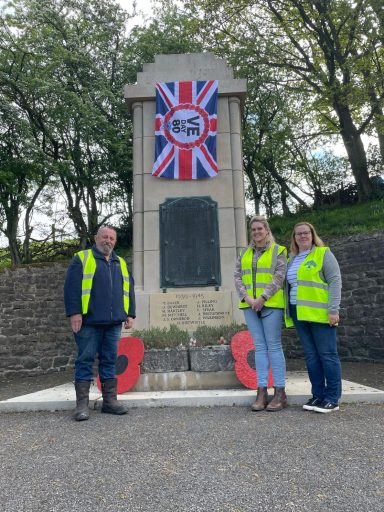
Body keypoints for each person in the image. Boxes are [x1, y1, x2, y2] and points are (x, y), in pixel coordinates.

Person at [64, 225, 136, 421]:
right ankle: (82, 406)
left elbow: (129, 289)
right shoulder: (82, 258)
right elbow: (71, 288)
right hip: (88, 321)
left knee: (109, 360)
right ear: (96, 238)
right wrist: (74, 312)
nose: (108, 241)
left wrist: (130, 313)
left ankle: (110, 402)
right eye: (105, 237)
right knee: (85, 360)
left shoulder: (120, 262)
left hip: (113, 322)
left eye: (112, 238)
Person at [286, 222, 342, 413]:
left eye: (306, 233)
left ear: (312, 234)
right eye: (298, 234)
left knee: (327, 355)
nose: (302, 236)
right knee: (311, 357)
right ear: (294, 238)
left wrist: (333, 309)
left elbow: (335, 281)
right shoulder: (292, 259)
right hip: (298, 312)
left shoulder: (323, 253)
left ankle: (332, 398)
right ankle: (318, 395)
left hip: (320, 313)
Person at [234, 216, 288, 412]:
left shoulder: (279, 251)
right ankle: (262, 391)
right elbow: (238, 276)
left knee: (273, 346)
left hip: (271, 304)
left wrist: (263, 297)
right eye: (254, 229)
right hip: (249, 305)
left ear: (267, 230)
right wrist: (248, 298)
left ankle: (280, 392)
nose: (257, 232)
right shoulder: (244, 253)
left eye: (260, 229)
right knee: (259, 347)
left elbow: (279, 276)